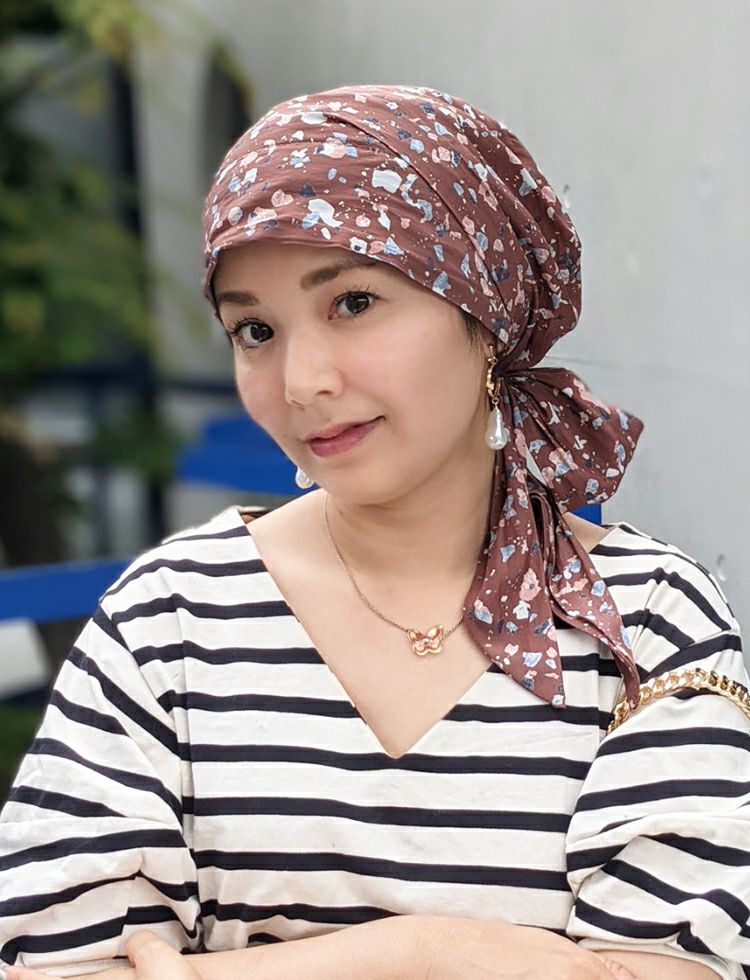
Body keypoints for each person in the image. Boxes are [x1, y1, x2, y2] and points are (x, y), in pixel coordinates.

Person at [0, 84, 748, 980]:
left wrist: (220, 972)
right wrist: (443, 955)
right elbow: (48, 965)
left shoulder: (645, 618)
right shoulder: (170, 620)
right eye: (254, 329)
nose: (302, 381)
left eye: (353, 302)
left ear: (484, 312)